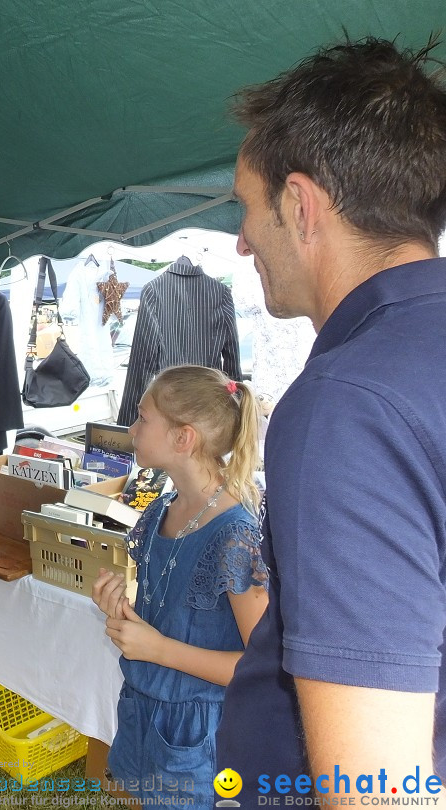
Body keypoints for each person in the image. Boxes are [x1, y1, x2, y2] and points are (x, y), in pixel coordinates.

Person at [215, 37, 446, 792]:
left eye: (249, 210)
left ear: (301, 206)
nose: (243, 239)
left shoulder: (344, 407)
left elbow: (375, 788)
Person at [91, 365, 268, 808]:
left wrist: (158, 649)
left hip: (199, 736)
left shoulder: (235, 535)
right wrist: (122, 608)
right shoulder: (161, 511)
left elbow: (258, 667)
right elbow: (173, 609)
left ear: (182, 438)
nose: (132, 428)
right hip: (144, 708)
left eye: (142, 417)